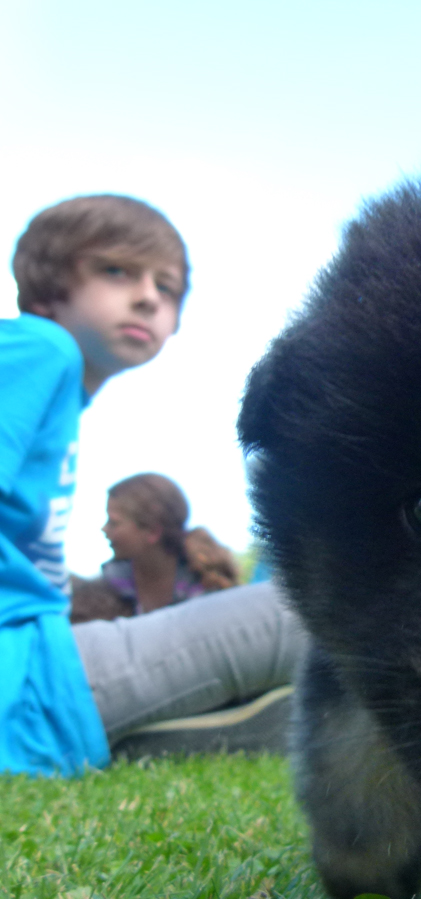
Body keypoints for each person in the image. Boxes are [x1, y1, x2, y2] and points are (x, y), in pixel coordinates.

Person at [1, 195, 306, 776]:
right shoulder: (40, 349)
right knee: (319, 602)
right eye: (117, 271)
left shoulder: (59, 386)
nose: (148, 297)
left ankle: (177, 722)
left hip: (41, 671)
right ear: (48, 285)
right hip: (31, 678)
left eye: (166, 287)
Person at [70, 473, 239, 623]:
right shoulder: (108, 587)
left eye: (114, 522)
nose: (104, 529)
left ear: (152, 531)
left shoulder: (206, 586)